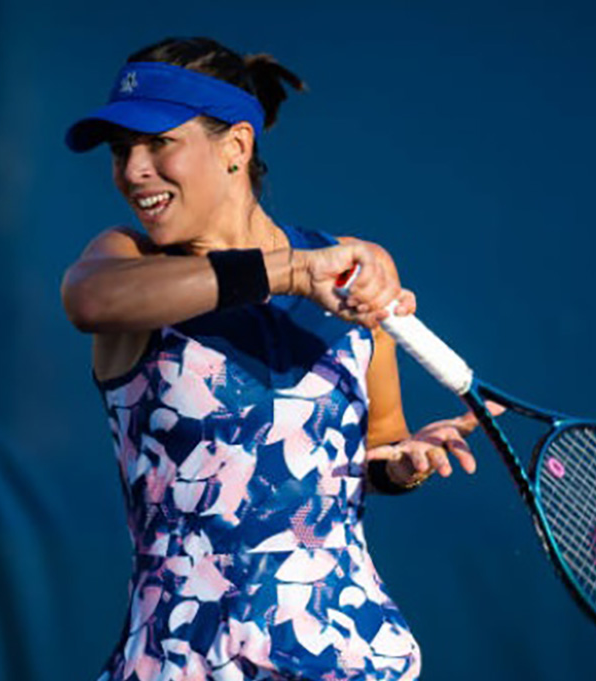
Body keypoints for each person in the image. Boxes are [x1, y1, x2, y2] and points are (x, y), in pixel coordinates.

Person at [62, 36, 487, 681]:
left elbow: (378, 447)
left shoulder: (351, 266)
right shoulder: (128, 262)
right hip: (180, 663)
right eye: (123, 151)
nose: (133, 170)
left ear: (235, 146)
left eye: (157, 143)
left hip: (342, 658)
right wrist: (287, 271)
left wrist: (402, 465)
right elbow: (90, 300)